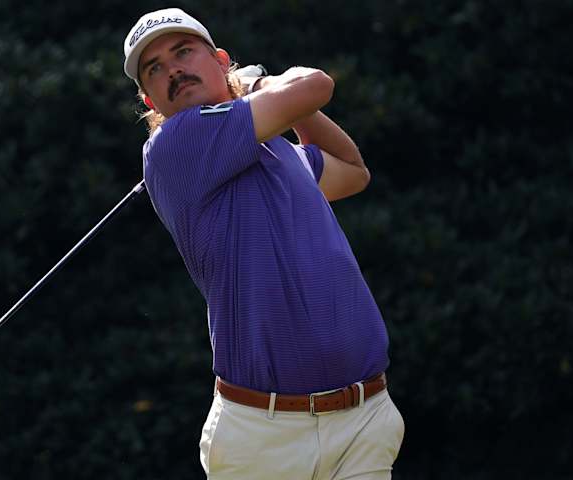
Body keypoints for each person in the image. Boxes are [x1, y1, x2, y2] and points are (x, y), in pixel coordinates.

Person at [123, 8, 404, 479]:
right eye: (155, 68)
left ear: (220, 60)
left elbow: (352, 172)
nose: (172, 69)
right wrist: (258, 86)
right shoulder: (176, 144)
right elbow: (316, 84)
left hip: (364, 420)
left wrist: (285, 106)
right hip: (265, 438)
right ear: (150, 100)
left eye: (183, 52)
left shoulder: (281, 151)